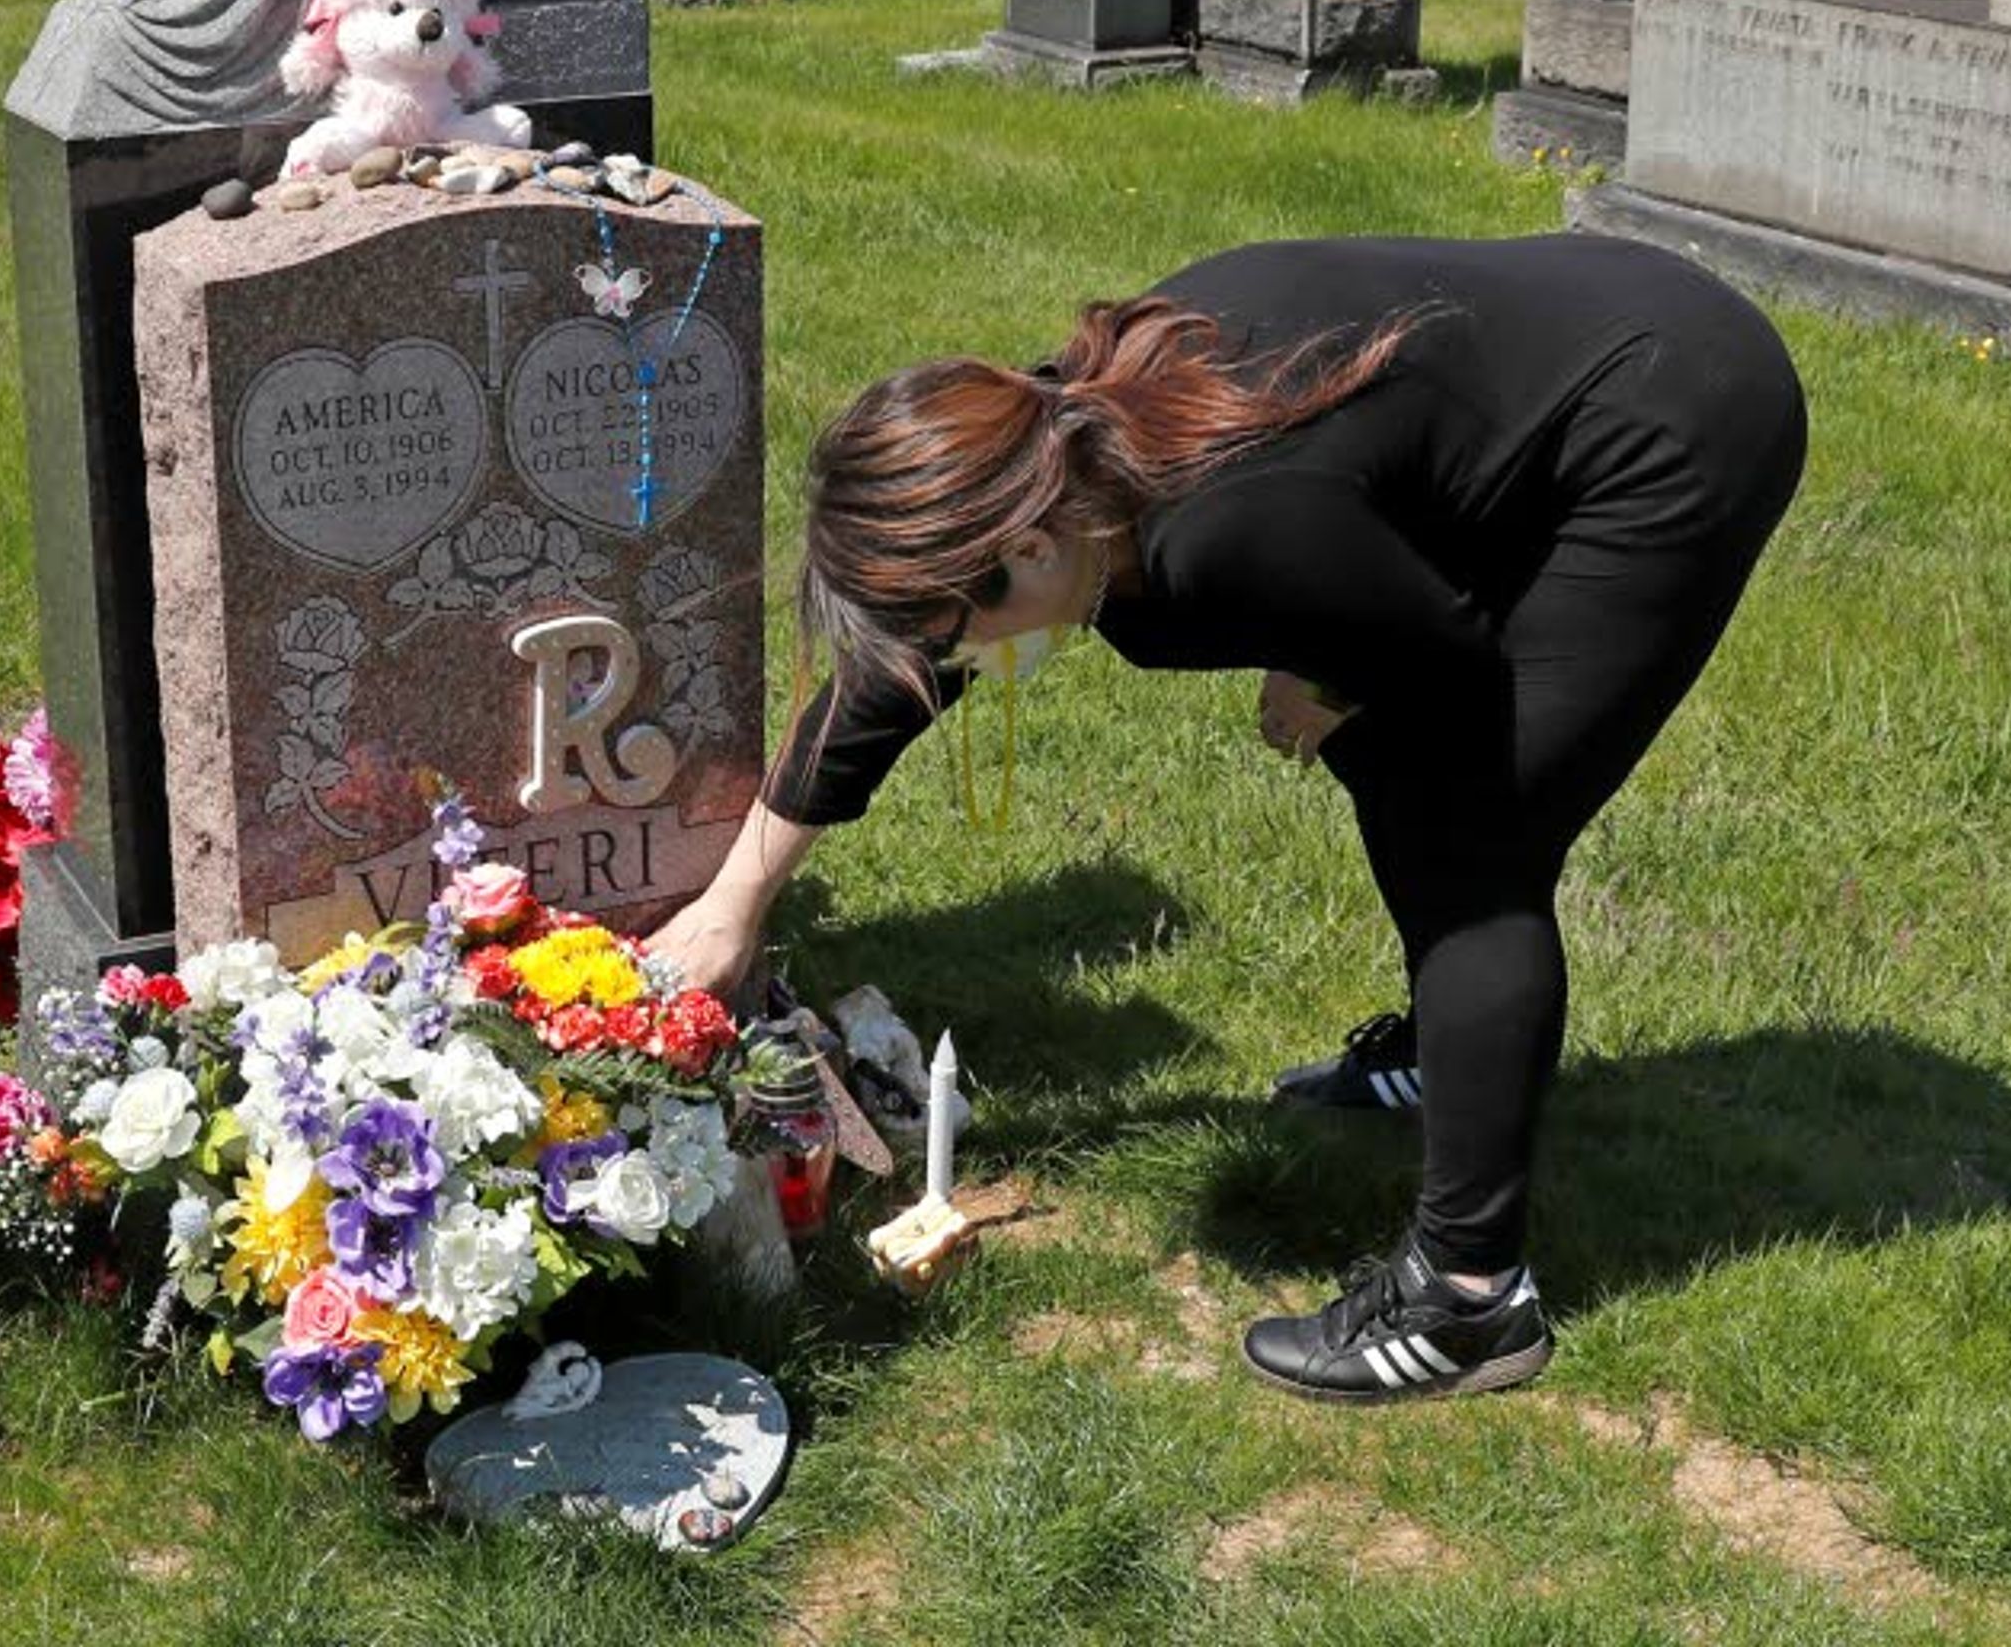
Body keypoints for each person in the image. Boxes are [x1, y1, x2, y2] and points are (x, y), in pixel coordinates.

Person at [648, 236, 1809, 1406]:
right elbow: (891, 680)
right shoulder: (1032, 446)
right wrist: (733, 902)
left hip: (1671, 415)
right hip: (1541, 370)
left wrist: (1337, 668)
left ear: (1035, 549)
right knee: (1417, 781)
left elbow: (1453, 668)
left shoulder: (1228, 534)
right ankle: (1455, 1060)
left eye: (955, 632)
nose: (953, 664)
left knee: (1467, 834)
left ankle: (1469, 1299)